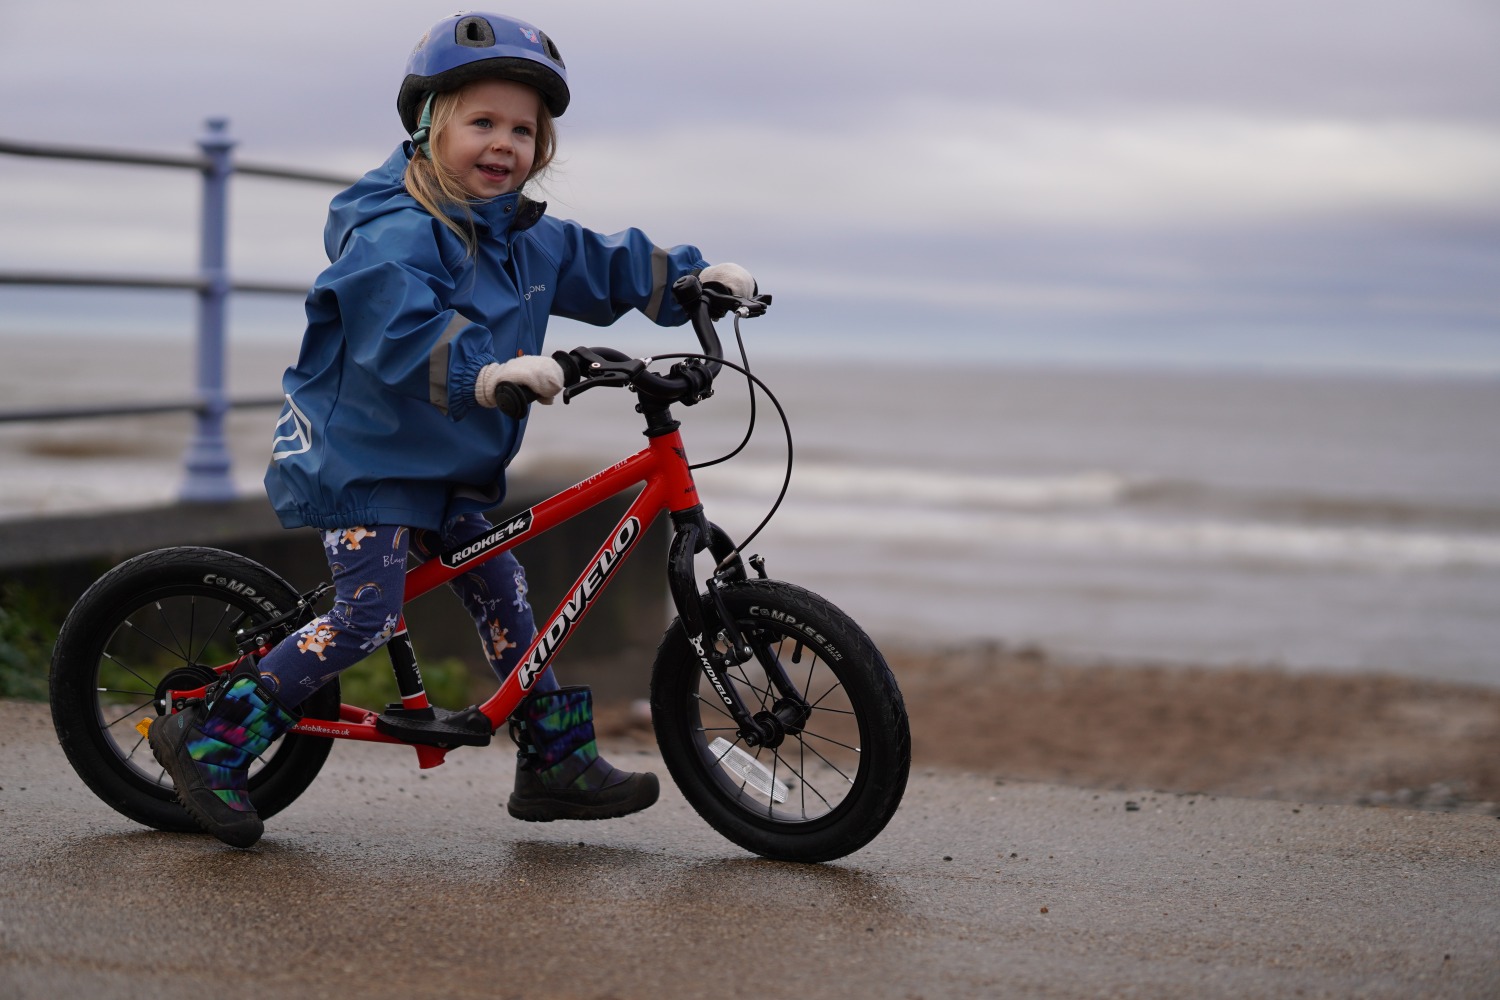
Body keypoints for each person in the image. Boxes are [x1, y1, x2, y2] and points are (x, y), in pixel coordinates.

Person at [148, 11, 757, 849]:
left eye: (522, 129)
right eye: (482, 123)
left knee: (506, 590)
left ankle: (551, 760)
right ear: (431, 126)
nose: (502, 144)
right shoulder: (393, 231)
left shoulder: (522, 236)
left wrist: (691, 279)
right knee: (364, 614)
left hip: (447, 470)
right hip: (366, 460)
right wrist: (485, 371)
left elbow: (603, 260)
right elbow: (399, 325)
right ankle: (209, 736)